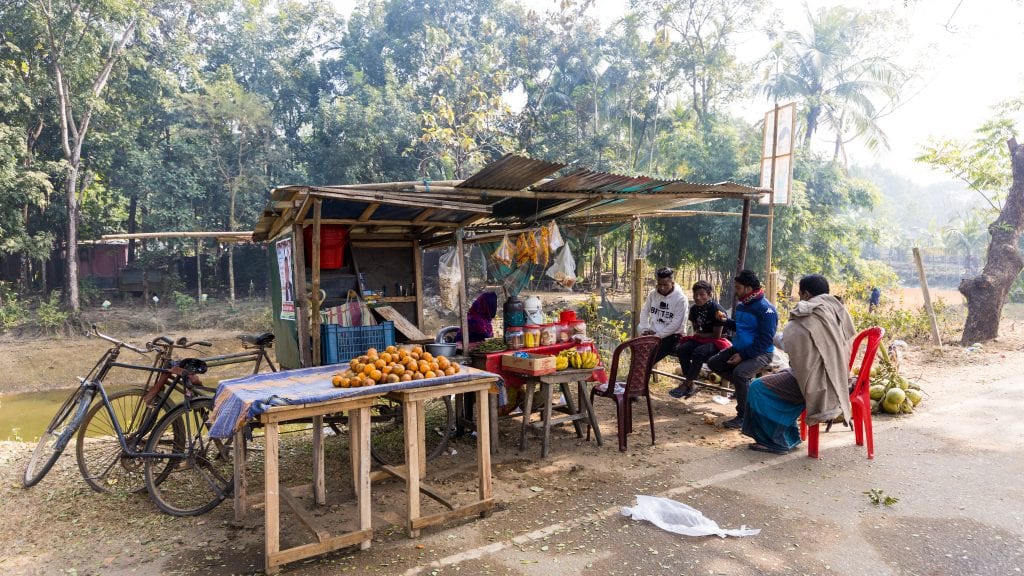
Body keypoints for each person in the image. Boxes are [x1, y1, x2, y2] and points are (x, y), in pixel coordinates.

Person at [742, 274, 855, 454]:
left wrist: (770, 336)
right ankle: (789, 436)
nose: (800, 298)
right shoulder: (837, 310)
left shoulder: (809, 314)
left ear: (807, 294)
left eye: (800, 293)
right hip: (839, 377)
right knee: (777, 378)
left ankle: (775, 441)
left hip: (817, 383)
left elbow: (789, 344)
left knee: (758, 387)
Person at [707, 270, 777, 430]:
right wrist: (725, 321)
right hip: (740, 348)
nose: (735, 291)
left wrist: (743, 355)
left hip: (761, 353)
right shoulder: (743, 305)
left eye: (738, 288)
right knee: (714, 363)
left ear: (748, 288)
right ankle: (747, 388)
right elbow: (741, 327)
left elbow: (765, 340)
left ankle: (744, 416)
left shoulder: (766, 310)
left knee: (740, 373)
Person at [668, 281, 731, 399]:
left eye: (702, 294)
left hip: (719, 341)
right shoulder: (694, 310)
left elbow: (717, 336)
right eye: (695, 295)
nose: (698, 297)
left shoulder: (716, 310)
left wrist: (702, 335)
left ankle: (685, 384)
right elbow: (697, 328)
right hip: (704, 338)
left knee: (699, 353)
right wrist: (701, 334)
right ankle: (692, 385)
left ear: (709, 294)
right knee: (682, 350)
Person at [638, 267, 689, 364]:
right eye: (659, 284)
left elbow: (676, 324)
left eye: (665, 285)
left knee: (647, 359)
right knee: (638, 351)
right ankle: (637, 377)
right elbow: (644, 312)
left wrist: (657, 336)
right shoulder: (652, 294)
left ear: (672, 283)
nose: (662, 288)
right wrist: (645, 329)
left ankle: (639, 377)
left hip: (673, 336)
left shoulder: (681, 299)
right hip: (654, 332)